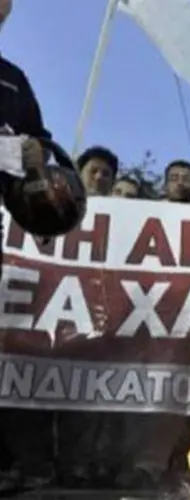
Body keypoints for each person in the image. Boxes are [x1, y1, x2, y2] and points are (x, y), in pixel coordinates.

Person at [0, 0, 87, 491]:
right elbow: (18, 149)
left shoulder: (12, 78)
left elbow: (41, 147)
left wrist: (44, 183)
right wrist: (15, 152)